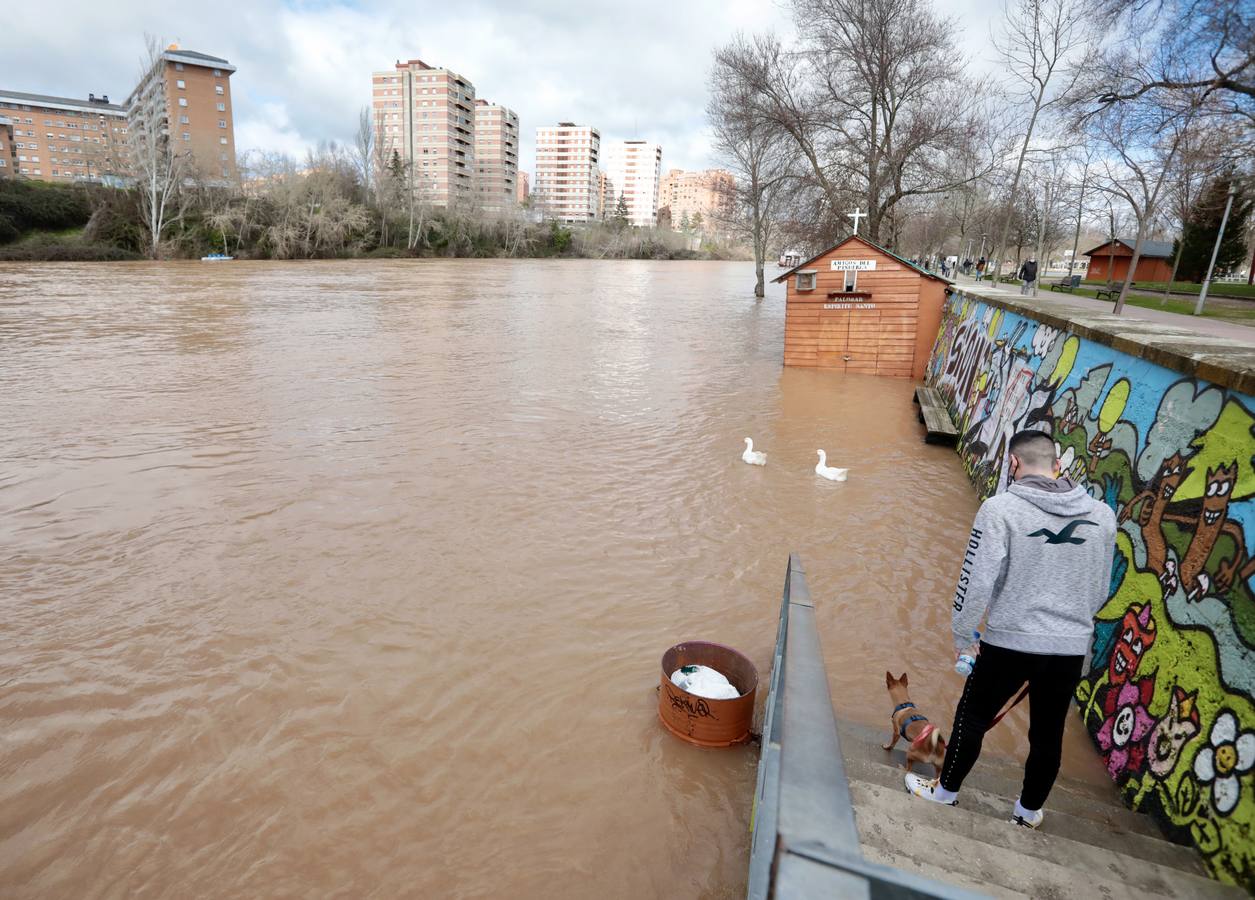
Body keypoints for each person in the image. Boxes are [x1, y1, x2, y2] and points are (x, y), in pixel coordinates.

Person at [905, 429, 1117, 829]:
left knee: (973, 717)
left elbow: (975, 581)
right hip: (1069, 648)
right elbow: (1100, 588)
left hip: (1008, 643)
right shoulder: (1102, 516)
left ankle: (945, 793)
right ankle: (1027, 812)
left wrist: (964, 638)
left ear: (1013, 464)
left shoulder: (1000, 510)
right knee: (1048, 734)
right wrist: (1069, 629)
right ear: (1057, 466)